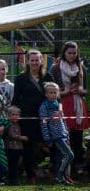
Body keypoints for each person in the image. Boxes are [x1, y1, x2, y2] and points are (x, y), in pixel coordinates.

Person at [12, 49, 54, 185]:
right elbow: (16, 99)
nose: (35, 62)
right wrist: (14, 116)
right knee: (28, 146)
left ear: (41, 60)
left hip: (45, 118)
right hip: (27, 118)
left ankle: (53, 172)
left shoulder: (48, 77)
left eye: (37, 60)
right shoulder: (20, 78)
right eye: (32, 60)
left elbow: (54, 97)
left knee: (51, 144)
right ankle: (30, 175)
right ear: (28, 61)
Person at [48, 41, 88, 172]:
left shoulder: (81, 67)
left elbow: (86, 89)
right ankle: (58, 164)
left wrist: (80, 91)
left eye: (74, 53)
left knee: (77, 135)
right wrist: (66, 91)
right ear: (64, 53)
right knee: (62, 134)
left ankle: (77, 164)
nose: (72, 55)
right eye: (69, 53)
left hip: (78, 104)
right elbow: (50, 90)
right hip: (62, 103)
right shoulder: (55, 68)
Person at [39, 82, 74, 185]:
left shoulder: (58, 105)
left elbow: (63, 120)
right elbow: (43, 123)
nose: (53, 94)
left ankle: (60, 178)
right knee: (69, 155)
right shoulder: (44, 106)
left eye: (55, 92)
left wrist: (67, 133)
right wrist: (47, 138)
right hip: (55, 137)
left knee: (62, 157)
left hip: (63, 135)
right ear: (46, 94)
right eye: (51, 93)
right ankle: (59, 176)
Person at [5, 106, 27, 185]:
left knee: (18, 164)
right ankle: (12, 180)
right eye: (12, 114)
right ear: (8, 115)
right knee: (12, 165)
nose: (15, 116)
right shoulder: (9, 124)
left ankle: (15, 178)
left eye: (16, 115)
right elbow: (11, 135)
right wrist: (22, 138)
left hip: (19, 148)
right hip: (11, 148)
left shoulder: (18, 124)